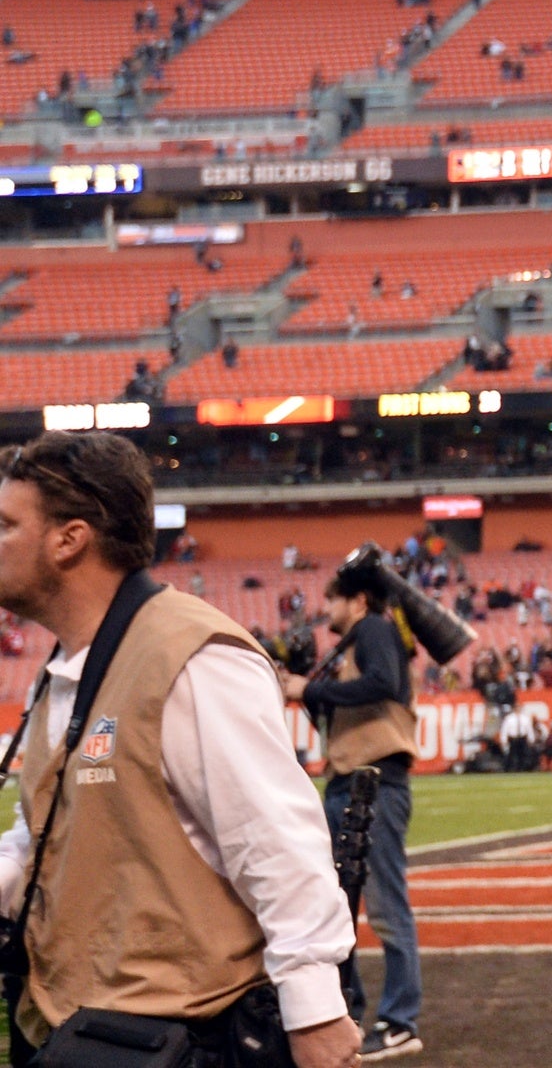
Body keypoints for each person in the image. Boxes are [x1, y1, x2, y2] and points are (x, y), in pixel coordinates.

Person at [0, 431, 360, 1068]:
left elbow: (276, 840)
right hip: (80, 1030)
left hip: (179, 1040)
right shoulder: (68, 664)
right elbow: (44, 837)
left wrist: (315, 1013)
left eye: (5, 524)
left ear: (68, 539)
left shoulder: (190, 657)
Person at [288, 554, 426, 1060]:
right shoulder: (358, 639)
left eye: (332, 597)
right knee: (335, 907)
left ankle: (399, 1019)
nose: (326, 606)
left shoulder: (372, 629)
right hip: (348, 781)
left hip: (374, 781)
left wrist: (310, 688)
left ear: (358, 600)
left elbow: (383, 682)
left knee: (385, 906)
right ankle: (349, 1009)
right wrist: (309, 690)